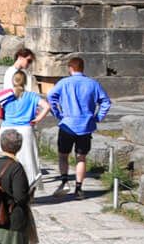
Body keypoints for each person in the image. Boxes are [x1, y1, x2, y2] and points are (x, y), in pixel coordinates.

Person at [47, 56, 112, 197]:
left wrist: (57, 113)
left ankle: (64, 182)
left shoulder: (63, 83)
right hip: (86, 125)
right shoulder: (93, 84)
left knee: (63, 155)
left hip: (67, 125)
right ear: (82, 68)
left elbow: (50, 97)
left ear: (70, 68)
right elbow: (106, 102)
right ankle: (79, 188)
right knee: (81, 158)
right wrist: (98, 117)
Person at [0, 69, 53, 187]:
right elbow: (46, 106)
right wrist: (37, 119)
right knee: (29, 161)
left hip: (7, 129)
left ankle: (7, 187)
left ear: (12, 81)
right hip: (25, 129)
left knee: (7, 161)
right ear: (25, 82)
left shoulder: (4, 95)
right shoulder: (31, 96)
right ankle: (29, 187)